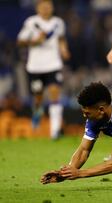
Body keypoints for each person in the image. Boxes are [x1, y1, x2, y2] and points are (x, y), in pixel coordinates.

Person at [17, 0, 70, 139]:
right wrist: (34, 41)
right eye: (43, 6)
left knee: (54, 94)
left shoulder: (58, 23)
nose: (46, 9)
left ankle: (55, 131)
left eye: (48, 6)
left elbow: (61, 38)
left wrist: (64, 50)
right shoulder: (31, 22)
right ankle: (37, 113)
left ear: (52, 7)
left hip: (53, 65)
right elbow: (20, 41)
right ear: (38, 8)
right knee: (38, 98)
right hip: (35, 67)